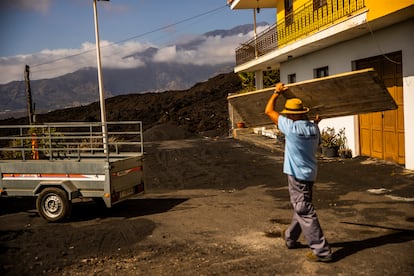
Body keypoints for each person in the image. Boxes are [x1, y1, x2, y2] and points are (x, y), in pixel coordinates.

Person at [264, 82, 332, 262]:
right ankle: (290, 237)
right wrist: (315, 122)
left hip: (297, 176)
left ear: (290, 116)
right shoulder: (313, 129)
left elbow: (269, 111)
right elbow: (315, 140)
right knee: (301, 206)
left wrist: (276, 92)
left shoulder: (290, 127)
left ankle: (322, 251)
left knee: (304, 209)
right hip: (310, 174)